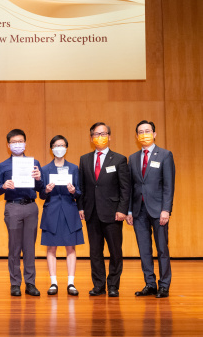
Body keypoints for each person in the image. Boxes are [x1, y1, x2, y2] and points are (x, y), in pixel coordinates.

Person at [78, 122, 130, 297]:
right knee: (95, 252)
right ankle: (99, 285)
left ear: (109, 136)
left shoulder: (119, 159)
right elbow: (82, 187)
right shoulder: (84, 159)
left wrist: (123, 209)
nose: (100, 137)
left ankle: (113, 285)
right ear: (91, 138)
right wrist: (81, 207)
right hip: (92, 212)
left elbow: (125, 188)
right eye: (96, 134)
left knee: (115, 251)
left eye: (103, 134)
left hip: (113, 213)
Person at [126, 120, 175, 298]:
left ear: (154, 134)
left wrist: (166, 210)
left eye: (147, 131)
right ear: (137, 136)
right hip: (139, 211)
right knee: (144, 249)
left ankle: (164, 285)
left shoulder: (165, 155)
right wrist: (129, 210)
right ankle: (150, 283)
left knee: (162, 248)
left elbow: (169, 185)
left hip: (158, 210)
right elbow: (130, 187)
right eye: (141, 131)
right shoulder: (132, 158)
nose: (144, 134)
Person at [0, 129, 44, 297]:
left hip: (31, 206)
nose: (18, 144)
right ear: (8, 145)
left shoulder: (34, 163)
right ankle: (15, 283)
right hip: (13, 207)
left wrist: (38, 179)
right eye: (14, 142)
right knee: (14, 247)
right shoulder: (3, 166)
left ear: (25, 143)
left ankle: (30, 283)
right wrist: (4, 186)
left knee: (29, 248)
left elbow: (41, 189)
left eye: (20, 141)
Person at [39, 135, 83, 296]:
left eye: (62, 145)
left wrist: (73, 191)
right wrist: (46, 190)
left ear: (66, 147)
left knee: (70, 247)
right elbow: (41, 195)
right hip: (51, 210)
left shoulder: (73, 168)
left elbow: (78, 191)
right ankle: (53, 282)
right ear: (51, 148)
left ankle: (71, 283)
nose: (59, 148)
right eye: (56, 145)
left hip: (69, 209)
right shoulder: (44, 169)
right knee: (51, 247)